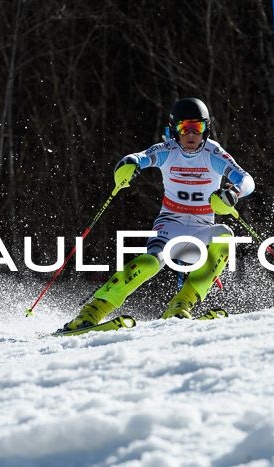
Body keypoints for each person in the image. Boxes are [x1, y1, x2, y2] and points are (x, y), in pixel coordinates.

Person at [62, 97, 255, 330]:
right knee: (151, 263)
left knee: (225, 234)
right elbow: (137, 158)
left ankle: (181, 306)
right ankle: (92, 311)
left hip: (201, 234)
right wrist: (127, 166)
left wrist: (234, 192)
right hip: (169, 227)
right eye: (185, 128)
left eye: (198, 127)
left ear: (206, 129)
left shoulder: (214, 153)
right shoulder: (168, 150)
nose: (191, 135)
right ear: (175, 130)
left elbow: (247, 180)